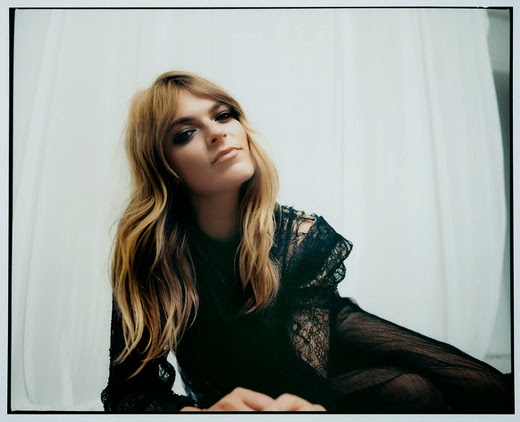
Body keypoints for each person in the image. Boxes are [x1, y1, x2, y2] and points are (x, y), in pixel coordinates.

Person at [101, 71, 513, 413]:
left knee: (483, 386)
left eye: (224, 115)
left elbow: (303, 379)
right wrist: (196, 414)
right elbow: (127, 392)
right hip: (236, 389)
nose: (217, 133)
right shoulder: (149, 253)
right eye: (186, 133)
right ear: (163, 166)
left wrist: (303, 407)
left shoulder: (298, 236)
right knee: (413, 391)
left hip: (323, 343)